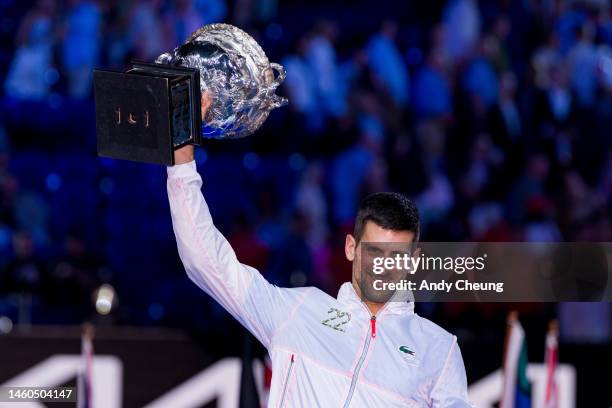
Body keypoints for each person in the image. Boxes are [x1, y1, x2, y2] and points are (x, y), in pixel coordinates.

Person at [165, 96, 471, 406]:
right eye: (375, 252)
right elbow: (206, 261)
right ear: (351, 248)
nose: (384, 267)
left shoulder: (439, 349)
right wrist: (181, 152)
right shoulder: (299, 310)